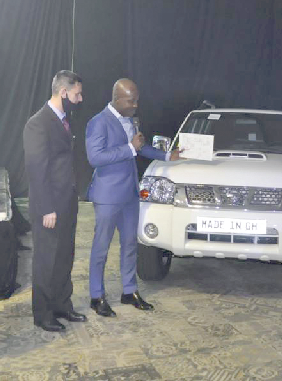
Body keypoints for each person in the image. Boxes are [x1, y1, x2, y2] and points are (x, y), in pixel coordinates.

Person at [85, 78, 181, 317]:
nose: (135, 105)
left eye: (137, 100)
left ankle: (129, 290)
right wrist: (129, 148)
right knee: (101, 247)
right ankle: (96, 296)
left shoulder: (129, 119)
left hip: (129, 193)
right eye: (131, 101)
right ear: (117, 99)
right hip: (108, 195)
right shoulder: (98, 122)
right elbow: (95, 158)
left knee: (130, 244)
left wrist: (167, 156)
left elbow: (140, 146)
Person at [23, 70, 87, 332]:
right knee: (47, 260)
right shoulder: (38, 123)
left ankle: (62, 304)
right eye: (76, 94)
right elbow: (37, 169)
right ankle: (44, 313)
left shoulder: (64, 119)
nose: (80, 99)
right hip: (49, 206)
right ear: (63, 92)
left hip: (67, 202)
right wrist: (47, 208)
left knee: (64, 256)